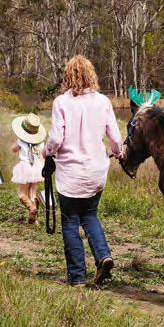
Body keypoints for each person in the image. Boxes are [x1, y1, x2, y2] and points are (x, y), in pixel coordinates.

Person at [44, 55, 123, 287]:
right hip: (96, 171)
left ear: (68, 76)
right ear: (91, 75)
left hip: (70, 173)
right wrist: (118, 152)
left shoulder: (61, 102)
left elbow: (56, 138)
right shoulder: (103, 101)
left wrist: (47, 152)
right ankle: (103, 256)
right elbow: (115, 138)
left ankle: (77, 276)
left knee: (70, 222)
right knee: (90, 216)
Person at [11, 113, 46, 224]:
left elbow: (13, 149)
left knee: (22, 193)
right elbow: (43, 156)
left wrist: (17, 143)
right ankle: (34, 220)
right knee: (33, 193)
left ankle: (32, 208)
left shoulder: (21, 140)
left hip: (25, 167)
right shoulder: (41, 142)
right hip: (37, 168)